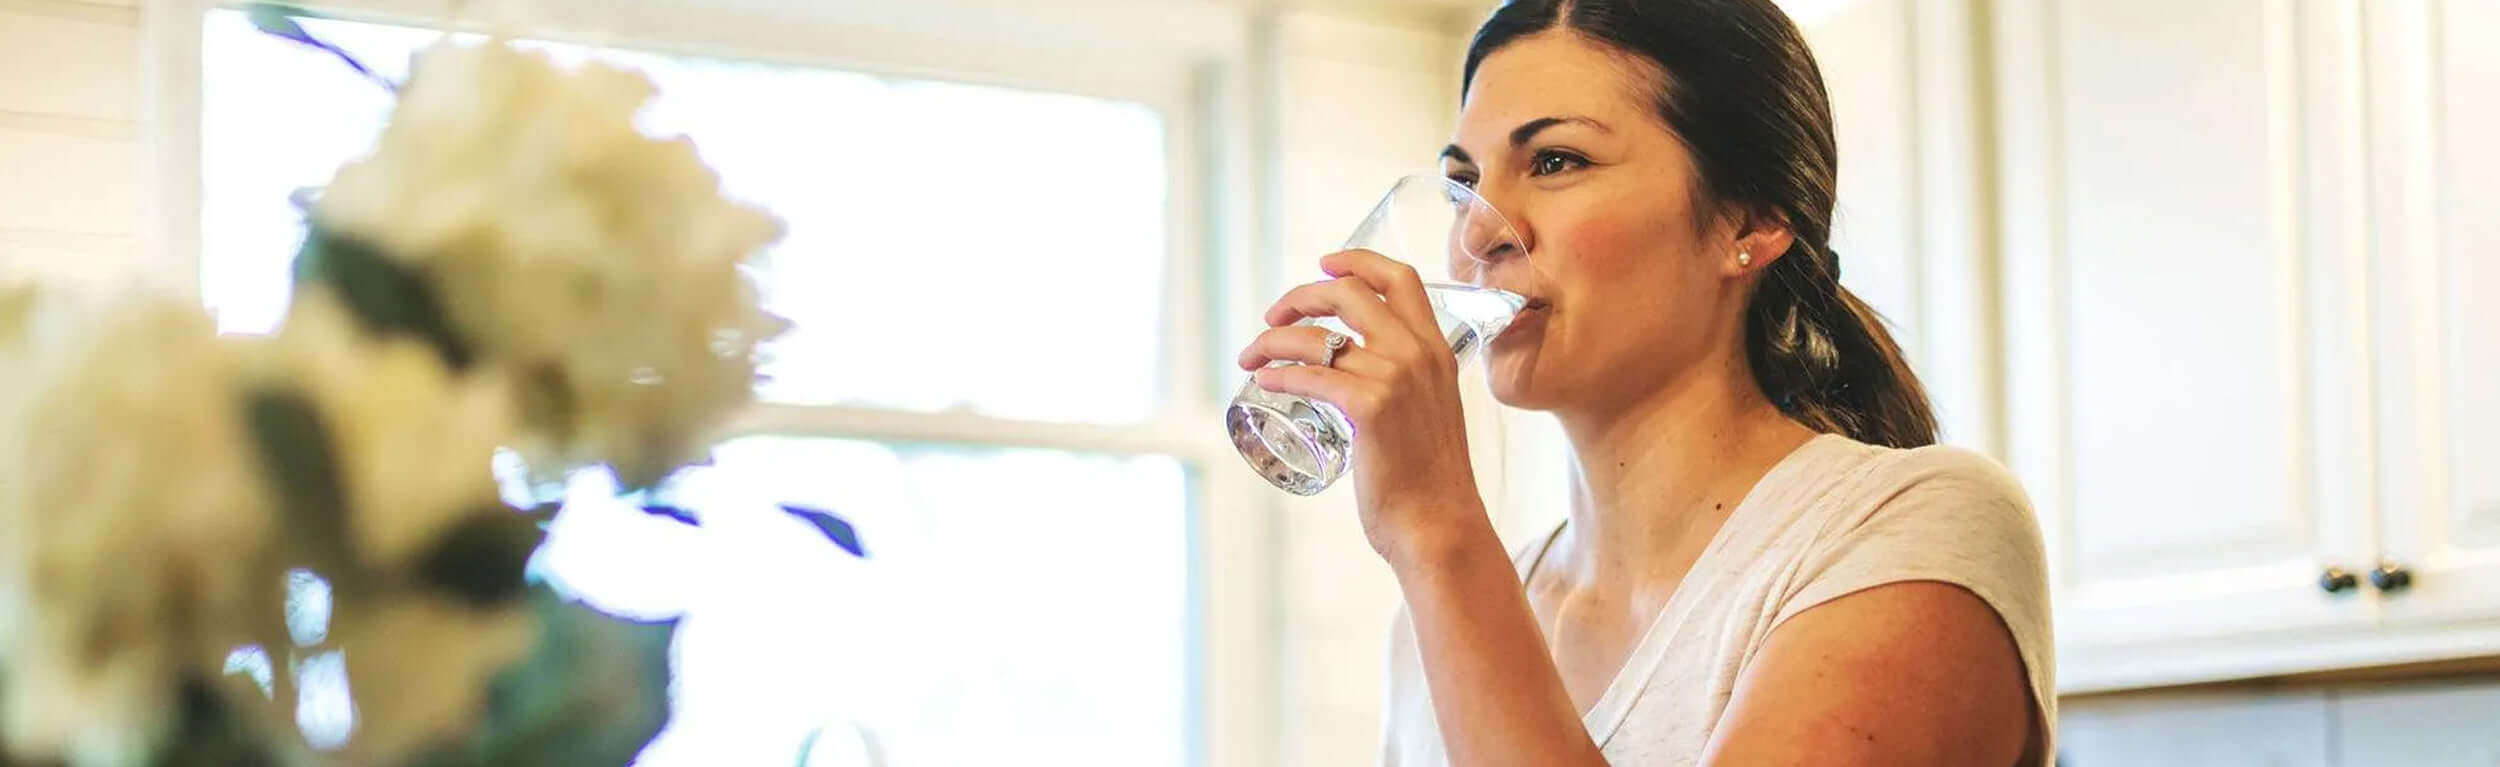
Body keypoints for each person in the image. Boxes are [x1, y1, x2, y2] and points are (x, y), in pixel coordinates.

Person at [1233, 0, 2054, 764]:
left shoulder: (1910, 526)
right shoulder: (1427, 629)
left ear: (1751, 220)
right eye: (1465, 183)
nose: (1479, 231)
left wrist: (1437, 529)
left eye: (1556, 160)